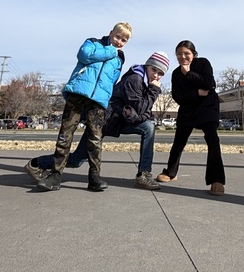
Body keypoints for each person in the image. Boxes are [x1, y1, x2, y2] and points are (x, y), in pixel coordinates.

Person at [24, 22, 132, 192]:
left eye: (124, 40)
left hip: (98, 101)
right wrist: (110, 50)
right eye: (118, 36)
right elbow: (84, 56)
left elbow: (113, 79)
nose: (119, 41)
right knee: (65, 135)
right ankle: (55, 175)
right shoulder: (93, 42)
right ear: (111, 33)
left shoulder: (120, 58)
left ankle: (94, 177)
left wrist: (106, 96)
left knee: (95, 139)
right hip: (78, 94)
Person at [65, 51, 170, 189]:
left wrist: (141, 115)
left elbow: (144, 112)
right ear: (147, 66)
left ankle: (144, 175)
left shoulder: (145, 82)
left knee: (148, 127)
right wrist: (154, 91)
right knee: (76, 160)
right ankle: (38, 164)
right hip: (104, 122)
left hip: (119, 121)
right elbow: (141, 109)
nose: (156, 75)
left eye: (160, 73)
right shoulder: (135, 79)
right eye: (154, 69)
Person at [156, 40, 226, 195]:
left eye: (186, 53)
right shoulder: (175, 73)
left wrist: (189, 73)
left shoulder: (203, 63)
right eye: (179, 54)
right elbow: (178, 96)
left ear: (193, 54)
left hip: (208, 107)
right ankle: (170, 173)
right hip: (187, 110)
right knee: (178, 142)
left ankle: (217, 180)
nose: (183, 57)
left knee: (213, 140)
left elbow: (209, 84)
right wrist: (196, 93)